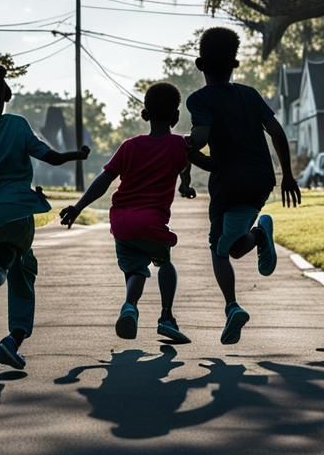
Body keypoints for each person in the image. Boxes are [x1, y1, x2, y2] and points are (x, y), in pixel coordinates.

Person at [0, 63, 89, 370]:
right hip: (15, 212)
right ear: (6, 92)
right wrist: (78, 155)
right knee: (22, 267)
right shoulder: (18, 125)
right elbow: (51, 156)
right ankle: (12, 338)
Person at [60, 82, 212, 344]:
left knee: (136, 270)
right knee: (164, 262)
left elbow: (103, 180)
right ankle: (166, 317)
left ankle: (130, 306)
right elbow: (197, 163)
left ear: (145, 114)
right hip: (151, 223)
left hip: (122, 223)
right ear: (176, 117)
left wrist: (77, 207)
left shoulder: (129, 146)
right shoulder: (180, 146)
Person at [186, 27, 302, 344]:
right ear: (235, 64)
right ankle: (260, 233)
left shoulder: (199, 99)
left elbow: (202, 139)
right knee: (234, 247)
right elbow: (277, 132)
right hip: (260, 180)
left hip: (227, 186)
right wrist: (287, 175)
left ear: (199, 64)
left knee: (219, 250)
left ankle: (232, 307)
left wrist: (188, 146)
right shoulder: (250, 95)